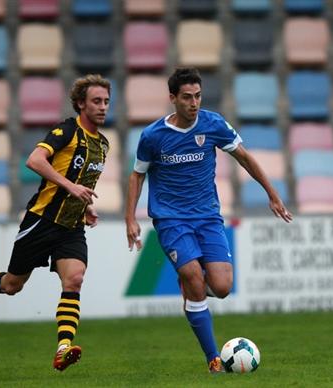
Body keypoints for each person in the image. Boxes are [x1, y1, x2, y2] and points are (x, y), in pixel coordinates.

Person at [125, 68, 292, 373]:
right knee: (192, 277)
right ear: (173, 98)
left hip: (208, 217)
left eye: (198, 96)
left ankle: (192, 284)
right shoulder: (152, 136)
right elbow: (137, 175)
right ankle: (213, 357)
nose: (194, 103)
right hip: (171, 218)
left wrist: (272, 193)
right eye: (187, 97)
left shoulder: (213, 123)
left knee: (223, 286)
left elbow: (244, 157)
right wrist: (130, 219)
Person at [0, 74, 111, 372]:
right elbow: (35, 160)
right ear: (80, 104)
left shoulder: (102, 144)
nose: (103, 107)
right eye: (96, 101)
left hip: (71, 226)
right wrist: (71, 188)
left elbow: (82, 182)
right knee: (13, 285)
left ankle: (63, 347)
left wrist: (86, 206)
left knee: (74, 279)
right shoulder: (66, 130)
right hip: (42, 220)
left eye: (106, 102)